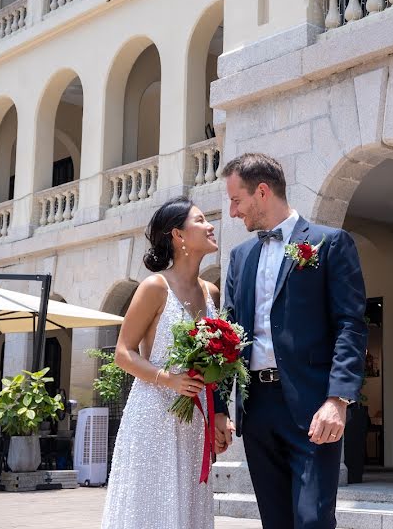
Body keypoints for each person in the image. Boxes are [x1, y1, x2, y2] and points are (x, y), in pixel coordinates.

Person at [215, 153, 368, 529]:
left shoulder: (329, 243)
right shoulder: (239, 257)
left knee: (312, 519)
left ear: (262, 192)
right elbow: (228, 336)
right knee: (276, 522)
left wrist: (339, 398)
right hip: (257, 411)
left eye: (236, 200)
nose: (233, 212)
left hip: (313, 405)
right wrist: (220, 405)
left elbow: (350, 324)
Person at [101, 196, 219, 529]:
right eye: (200, 220)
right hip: (154, 414)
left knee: (189, 508)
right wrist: (168, 379)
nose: (210, 225)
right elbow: (123, 352)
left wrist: (220, 414)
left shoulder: (213, 292)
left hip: (196, 419)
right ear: (177, 235)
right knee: (153, 507)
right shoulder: (155, 287)